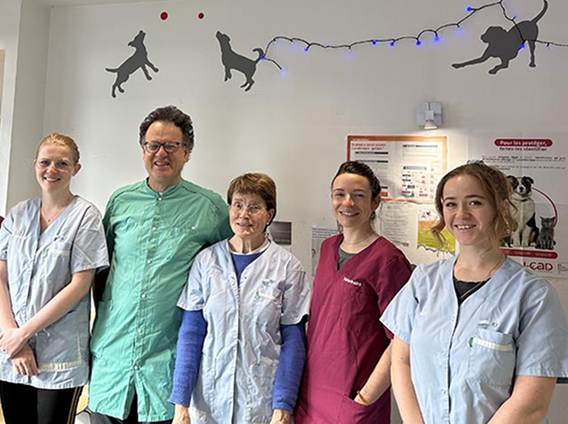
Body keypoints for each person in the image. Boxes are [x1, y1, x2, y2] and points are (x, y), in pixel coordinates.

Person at [381, 162, 568, 424]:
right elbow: (402, 361)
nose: (461, 214)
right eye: (451, 204)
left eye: (475, 203)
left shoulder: (533, 296)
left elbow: (531, 404)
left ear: (501, 208)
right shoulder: (423, 281)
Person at [87, 106, 232, 424]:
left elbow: (232, 272)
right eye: (153, 145)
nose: (161, 153)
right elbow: (101, 270)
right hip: (113, 356)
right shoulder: (120, 201)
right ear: (143, 149)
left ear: (187, 152)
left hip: (167, 363)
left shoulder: (210, 208)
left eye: (171, 145)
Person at [170, 173, 310, 424]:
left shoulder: (288, 267)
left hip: (261, 400)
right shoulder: (206, 261)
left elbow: (294, 342)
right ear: (229, 209)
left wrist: (283, 405)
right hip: (209, 398)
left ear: (269, 214)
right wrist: (181, 404)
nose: (244, 215)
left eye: (254, 207)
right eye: (238, 205)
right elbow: (191, 333)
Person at [0, 133, 109, 424]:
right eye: (45, 162)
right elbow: (1, 277)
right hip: (12, 352)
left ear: (76, 169)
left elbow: (80, 285)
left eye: (62, 163)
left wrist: (23, 335)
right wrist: (12, 337)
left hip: (59, 355)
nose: (52, 170)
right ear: (34, 164)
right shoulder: (18, 215)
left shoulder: (85, 216)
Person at [295, 161, 412, 424]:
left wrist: (365, 397)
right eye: (340, 194)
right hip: (312, 392)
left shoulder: (388, 261)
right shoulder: (328, 248)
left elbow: (402, 340)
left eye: (358, 195)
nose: (347, 203)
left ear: (375, 202)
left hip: (353, 398)